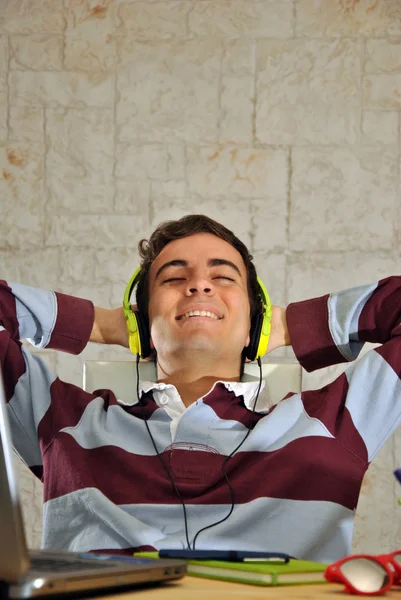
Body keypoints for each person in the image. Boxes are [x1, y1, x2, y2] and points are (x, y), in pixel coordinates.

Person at [1, 214, 400, 563]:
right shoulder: (64, 423)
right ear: (140, 325)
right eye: (174, 278)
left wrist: (295, 324)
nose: (199, 286)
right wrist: (102, 325)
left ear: (255, 325)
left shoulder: (331, 424)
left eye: (223, 277)